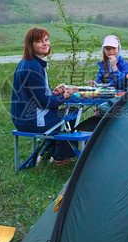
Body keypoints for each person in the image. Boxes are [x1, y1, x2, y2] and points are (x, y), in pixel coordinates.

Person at [11, 27, 78, 162]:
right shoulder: (34, 67)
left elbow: (36, 95)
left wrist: (53, 93)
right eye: (39, 41)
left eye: (46, 40)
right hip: (33, 121)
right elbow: (43, 103)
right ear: (30, 45)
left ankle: (49, 152)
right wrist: (64, 96)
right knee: (72, 114)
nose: (45, 43)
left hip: (21, 120)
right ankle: (59, 157)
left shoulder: (26, 63)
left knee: (66, 116)